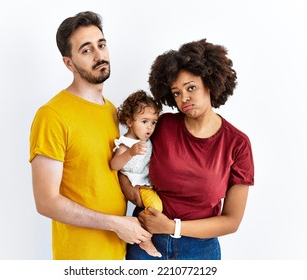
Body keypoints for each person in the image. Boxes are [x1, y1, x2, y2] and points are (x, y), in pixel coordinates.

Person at [29, 11, 151, 260]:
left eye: (101, 45)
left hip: (118, 252)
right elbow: (46, 202)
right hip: (80, 258)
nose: (99, 55)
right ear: (69, 63)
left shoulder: (110, 110)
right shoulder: (52, 115)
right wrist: (115, 223)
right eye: (86, 50)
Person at [119, 38, 255, 260]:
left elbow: (232, 221)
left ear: (210, 83)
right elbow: (124, 159)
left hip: (200, 250)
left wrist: (172, 227)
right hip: (146, 239)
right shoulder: (161, 126)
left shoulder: (237, 144)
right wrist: (130, 191)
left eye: (191, 88)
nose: (184, 98)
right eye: (176, 93)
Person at [110, 90, 163, 258]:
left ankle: (142, 226)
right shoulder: (126, 144)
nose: (150, 127)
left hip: (145, 182)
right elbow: (114, 165)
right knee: (156, 207)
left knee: (157, 206)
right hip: (133, 183)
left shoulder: (146, 141)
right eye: (144, 121)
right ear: (129, 122)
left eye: (153, 122)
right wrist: (130, 153)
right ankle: (144, 237)